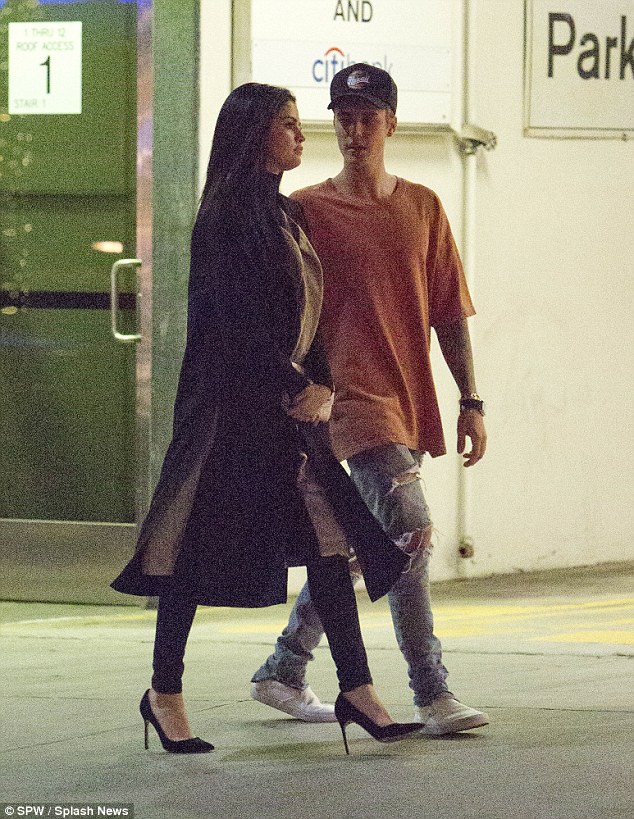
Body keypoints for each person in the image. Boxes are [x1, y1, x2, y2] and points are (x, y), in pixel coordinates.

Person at [111, 82, 422, 755]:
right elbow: (233, 327)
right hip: (232, 416)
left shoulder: (286, 213)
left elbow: (310, 316)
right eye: (287, 124)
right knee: (190, 551)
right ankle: (164, 693)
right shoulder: (226, 217)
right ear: (254, 134)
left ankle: (359, 689)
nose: (301, 134)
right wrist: (296, 386)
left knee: (329, 547)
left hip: (290, 415)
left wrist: (322, 384)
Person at [251, 65, 490, 736]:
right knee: (411, 528)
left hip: (406, 396)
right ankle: (431, 691)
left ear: (391, 123)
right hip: (345, 401)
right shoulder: (305, 208)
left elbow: (450, 314)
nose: (354, 131)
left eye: (367, 118)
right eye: (344, 118)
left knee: (363, 544)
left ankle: (283, 668)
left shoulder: (423, 207)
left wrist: (472, 400)